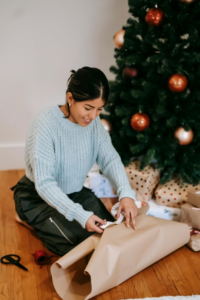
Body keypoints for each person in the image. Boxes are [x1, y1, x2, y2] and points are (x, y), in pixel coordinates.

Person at [10, 66, 138, 256]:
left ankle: (54, 221)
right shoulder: (45, 124)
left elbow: (110, 159)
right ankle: (26, 217)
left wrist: (126, 193)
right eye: (88, 108)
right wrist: (80, 214)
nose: (93, 116)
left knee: (108, 232)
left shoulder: (94, 124)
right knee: (78, 246)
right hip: (36, 196)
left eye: (99, 109)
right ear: (70, 98)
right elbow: (44, 184)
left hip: (75, 192)